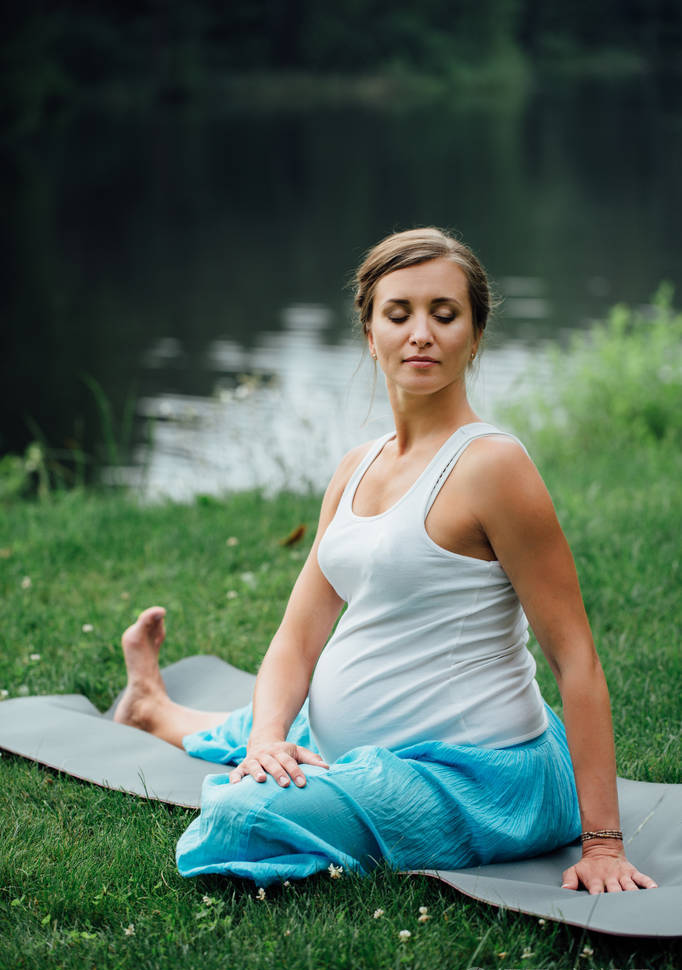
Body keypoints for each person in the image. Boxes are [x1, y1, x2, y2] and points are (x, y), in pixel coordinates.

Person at [115, 227, 657, 894]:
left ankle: (208, 731)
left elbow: (577, 656)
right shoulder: (354, 468)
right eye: (398, 314)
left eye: (444, 313)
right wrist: (264, 737)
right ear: (370, 334)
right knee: (275, 733)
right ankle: (154, 708)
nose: (421, 332)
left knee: (241, 811)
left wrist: (602, 841)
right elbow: (296, 637)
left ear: (475, 335)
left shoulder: (493, 467)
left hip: (475, 780)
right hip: (368, 748)